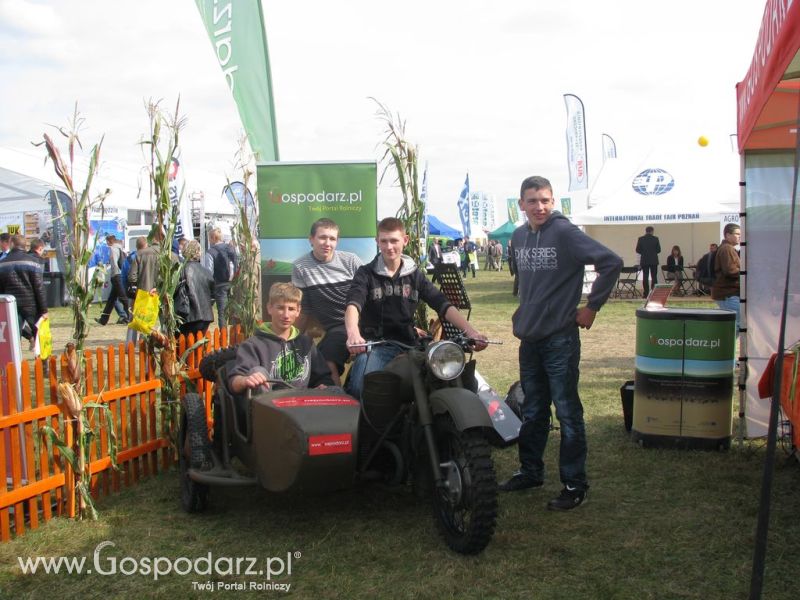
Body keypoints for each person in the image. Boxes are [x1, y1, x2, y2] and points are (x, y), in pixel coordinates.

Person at [500, 176, 622, 512]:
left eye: (545, 200)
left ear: (553, 202)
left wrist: (591, 307)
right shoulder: (519, 236)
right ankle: (530, 471)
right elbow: (529, 283)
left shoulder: (565, 232)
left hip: (560, 339)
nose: (539, 207)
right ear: (521, 204)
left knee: (567, 412)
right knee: (533, 409)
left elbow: (611, 262)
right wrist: (524, 311)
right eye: (532, 201)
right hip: (530, 339)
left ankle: (573, 484)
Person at [344, 217, 488, 400]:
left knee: (455, 379)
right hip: (377, 346)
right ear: (377, 242)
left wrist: (471, 332)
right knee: (360, 388)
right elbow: (353, 305)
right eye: (384, 241)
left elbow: (441, 303)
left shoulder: (414, 274)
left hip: (410, 345)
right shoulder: (366, 273)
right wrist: (353, 333)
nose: (389, 247)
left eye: (394, 240)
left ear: (405, 240)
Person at [291, 218, 363, 385]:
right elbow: (304, 310)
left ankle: (340, 403)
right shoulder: (300, 267)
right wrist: (291, 339)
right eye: (322, 237)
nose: (327, 243)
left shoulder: (351, 261)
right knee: (322, 363)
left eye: (332, 239)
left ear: (337, 241)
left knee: (327, 361)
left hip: (363, 320)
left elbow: (371, 293)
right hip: (337, 327)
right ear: (311, 240)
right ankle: (336, 402)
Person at [228, 282, 333, 394]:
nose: (286, 315)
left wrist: (323, 386)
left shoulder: (307, 344)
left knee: (335, 390)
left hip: (301, 406)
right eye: (280, 308)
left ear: (298, 311)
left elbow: (324, 377)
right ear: (269, 308)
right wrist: (245, 380)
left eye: (291, 309)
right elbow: (234, 383)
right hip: (267, 406)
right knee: (257, 371)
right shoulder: (253, 345)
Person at [0, 234, 48, 350]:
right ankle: (43, 364)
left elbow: (1, 288)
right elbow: (39, 287)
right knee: (39, 335)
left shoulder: (2, 263)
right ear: (25, 245)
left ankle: (13, 363)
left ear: (12, 244)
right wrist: (44, 309)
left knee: (12, 336)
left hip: (11, 304)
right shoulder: (33, 261)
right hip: (31, 303)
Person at [175, 239, 215, 338]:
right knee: (198, 349)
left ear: (185, 251)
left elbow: (173, 292)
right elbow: (213, 295)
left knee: (184, 349)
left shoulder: (180, 271)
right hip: (205, 317)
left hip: (187, 317)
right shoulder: (207, 272)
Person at [206, 227, 238, 329]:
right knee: (235, 310)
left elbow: (209, 272)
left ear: (212, 238)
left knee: (222, 312)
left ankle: (223, 338)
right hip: (233, 283)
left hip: (219, 284)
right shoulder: (230, 248)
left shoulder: (210, 252)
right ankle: (235, 334)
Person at [95, 235, 130, 326]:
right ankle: (103, 319)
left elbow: (114, 263)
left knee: (124, 299)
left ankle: (130, 317)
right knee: (111, 300)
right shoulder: (120, 248)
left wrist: (113, 275)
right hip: (119, 275)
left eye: (107, 242)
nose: (107, 244)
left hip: (117, 276)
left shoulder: (113, 249)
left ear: (110, 241)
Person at [712, 223, 741, 330]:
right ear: (728, 235)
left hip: (728, 293)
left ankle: (726, 346)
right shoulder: (726, 249)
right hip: (728, 294)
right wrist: (745, 272)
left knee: (736, 324)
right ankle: (726, 346)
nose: (739, 236)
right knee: (737, 325)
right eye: (737, 234)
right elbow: (730, 270)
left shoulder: (728, 248)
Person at [635, 226, 661, 298]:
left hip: (644, 260)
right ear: (652, 231)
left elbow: (637, 250)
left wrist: (644, 252)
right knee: (654, 277)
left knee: (645, 277)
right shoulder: (655, 239)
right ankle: (653, 293)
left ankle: (645, 293)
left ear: (646, 231)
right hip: (654, 261)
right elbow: (659, 250)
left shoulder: (641, 239)